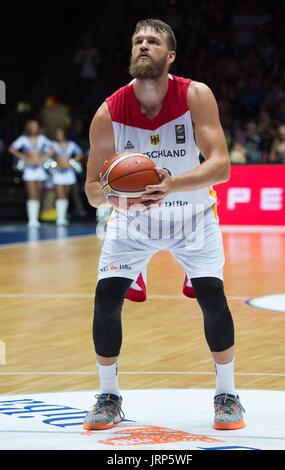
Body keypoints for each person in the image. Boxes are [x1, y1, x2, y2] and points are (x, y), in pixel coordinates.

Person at [84, 19, 245, 431]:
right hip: (134, 223)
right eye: (137, 40)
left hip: (193, 217)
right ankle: (108, 396)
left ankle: (227, 394)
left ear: (169, 55)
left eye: (152, 41)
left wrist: (172, 183)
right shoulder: (108, 111)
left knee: (212, 296)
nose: (143, 45)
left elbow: (222, 166)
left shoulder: (195, 95)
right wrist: (119, 195)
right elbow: (90, 190)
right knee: (105, 300)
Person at [9, 119, 53, 227]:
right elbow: (12, 149)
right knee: (31, 194)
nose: (34, 128)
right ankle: (32, 220)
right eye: (32, 126)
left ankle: (35, 219)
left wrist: (44, 157)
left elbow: (52, 147)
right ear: (28, 127)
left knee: (38, 193)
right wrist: (23, 157)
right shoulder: (23, 139)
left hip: (39, 169)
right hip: (29, 170)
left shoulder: (42, 139)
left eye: (35, 126)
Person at [52, 128, 83, 226]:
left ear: (64, 134)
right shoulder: (53, 145)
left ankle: (63, 217)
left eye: (60, 133)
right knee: (60, 195)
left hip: (69, 172)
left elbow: (80, 153)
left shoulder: (71, 144)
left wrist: (72, 161)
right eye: (57, 134)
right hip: (58, 172)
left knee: (65, 196)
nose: (59, 135)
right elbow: (47, 154)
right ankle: (60, 218)